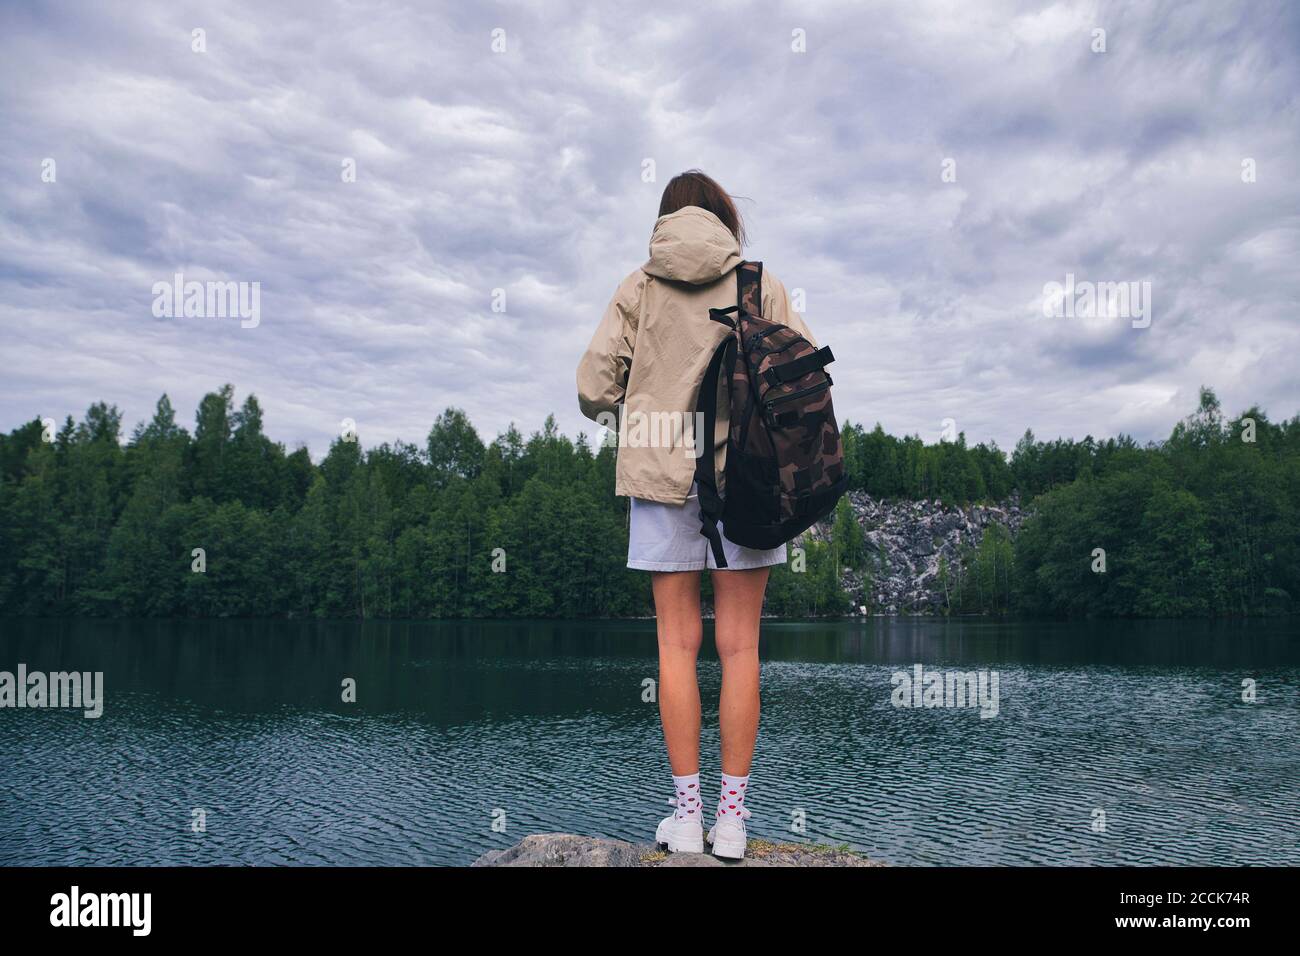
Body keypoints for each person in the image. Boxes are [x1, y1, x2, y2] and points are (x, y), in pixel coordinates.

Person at [576, 170, 819, 860]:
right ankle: (733, 823)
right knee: (740, 646)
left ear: (666, 217)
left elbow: (594, 387)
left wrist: (640, 398)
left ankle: (686, 823)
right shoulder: (757, 283)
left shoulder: (640, 286)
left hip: (659, 477)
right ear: (723, 217)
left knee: (675, 646)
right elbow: (807, 373)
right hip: (745, 478)